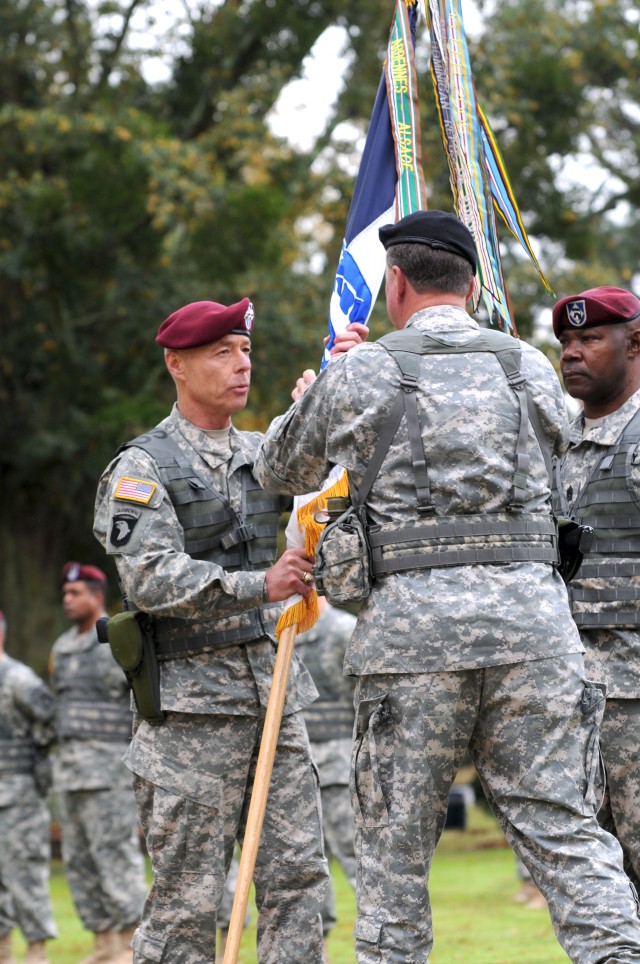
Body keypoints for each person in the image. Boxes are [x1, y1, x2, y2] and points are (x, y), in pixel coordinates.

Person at [253, 210, 640, 962]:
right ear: (467, 284)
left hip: (411, 643)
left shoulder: (363, 371)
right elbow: (565, 442)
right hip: (536, 636)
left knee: (395, 855)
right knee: (566, 834)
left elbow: (279, 469)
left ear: (395, 283)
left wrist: (313, 395)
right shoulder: (528, 364)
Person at [92, 298, 368, 964]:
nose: (241, 365)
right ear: (176, 365)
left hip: (276, 697)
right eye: (221, 352)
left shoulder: (265, 455)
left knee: (299, 883)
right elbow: (153, 580)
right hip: (192, 720)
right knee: (187, 902)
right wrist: (257, 587)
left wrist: (326, 401)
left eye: (245, 350)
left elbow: (316, 492)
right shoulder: (142, 467)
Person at [552, 285, 640, 891]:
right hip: (568, 698)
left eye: (589, 339)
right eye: (565, 342)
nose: (571, 353)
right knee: (595, 886)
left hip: (634, 698)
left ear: (635, 343)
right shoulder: (552, 443)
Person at [50, 563, 147, 964]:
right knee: (80, 862)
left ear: (96, 596)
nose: (68, 600)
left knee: (115, 857)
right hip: (71, 774)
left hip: (109, 772)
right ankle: (103, 945)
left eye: (76, 593)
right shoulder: (61, 647)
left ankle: (129, 945)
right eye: (65, 593)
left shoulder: (118, 639)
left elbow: (140, 698)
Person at [296, 597, 357, 955]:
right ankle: (319, 950)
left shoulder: (343, 630)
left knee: (355, 855)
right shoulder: (285, 630)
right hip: (299, 766)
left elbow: (364, 698)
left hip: (340, 762)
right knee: (306, 863)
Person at [0, 610, 57, 964]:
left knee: (26, 877)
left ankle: (36, 954)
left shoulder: (18, 679)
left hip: (18, 797)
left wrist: (37, 757)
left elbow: (53, 722)